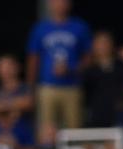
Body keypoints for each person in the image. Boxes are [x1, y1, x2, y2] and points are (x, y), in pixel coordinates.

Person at [26, 0, 92, 131]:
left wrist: (72, 69)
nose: (59, 4)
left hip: (72, 87)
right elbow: (33, 60)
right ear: (50, 4)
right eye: (56, 1)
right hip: (47, 87)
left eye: (63, 1)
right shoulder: (40, 28)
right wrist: (30, 89)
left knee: (75, 129)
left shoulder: (80, 27)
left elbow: (89, 58)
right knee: (47, 129)